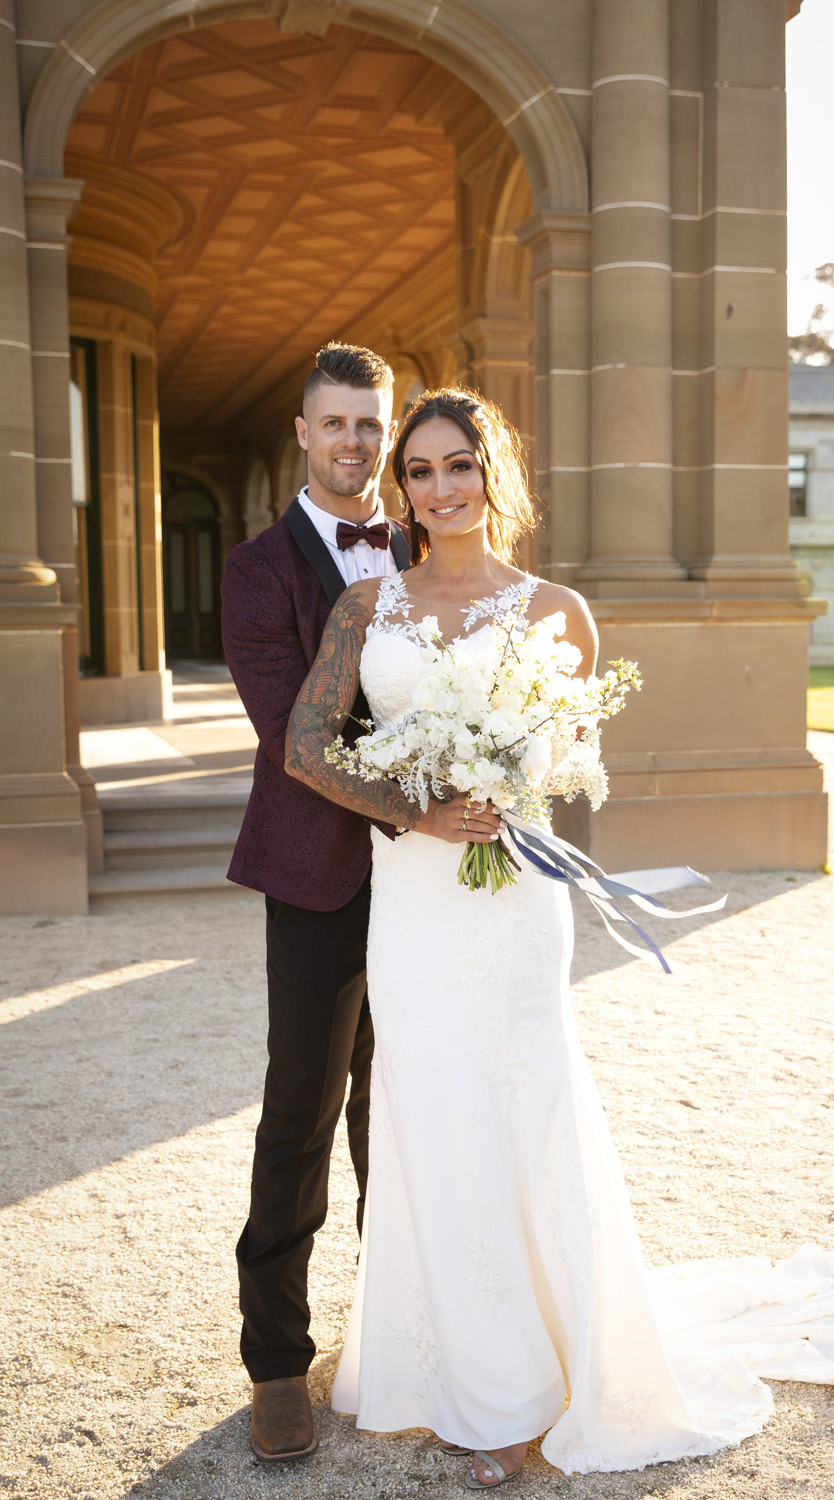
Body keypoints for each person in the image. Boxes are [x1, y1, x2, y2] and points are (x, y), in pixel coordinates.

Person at [284, 388, 834, 1487]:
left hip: (513, 904)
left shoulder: (556, 609)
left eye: (459, 465)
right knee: (430, 1113)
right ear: (403, 490)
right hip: (414, 900)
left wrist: (500, 776)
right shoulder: (365, 608)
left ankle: (525, 1392)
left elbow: (567, 758)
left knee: (522, 1105)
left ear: (492, 473)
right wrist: (421, 807)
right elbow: (305, 746)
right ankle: (447, 1366)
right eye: (419, 471)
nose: (440, 487)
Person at [220, 342, 411, 1463]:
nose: (354, 441)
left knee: (411, 1109)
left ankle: (403, 1331)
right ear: (303, 432)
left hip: (432, 890)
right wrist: (427, 797)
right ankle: (278, 1364)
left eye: (370, 423)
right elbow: (293, 737)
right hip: (315, 874)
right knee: (302, 1111)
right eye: (335, 422)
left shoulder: (430, 549)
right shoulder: (257, 569)